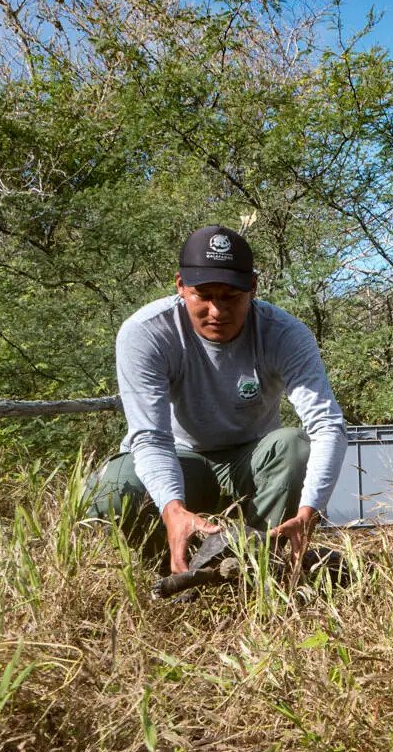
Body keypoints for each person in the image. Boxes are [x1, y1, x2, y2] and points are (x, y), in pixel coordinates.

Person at [83, 225, 349, 573]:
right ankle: (168, 567)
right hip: (180, 459)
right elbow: (150, 437)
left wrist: (310, 508)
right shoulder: (147, 332)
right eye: (203, 295)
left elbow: (327, 425)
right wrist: (172, 508)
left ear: (252, 287)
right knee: (112, 486)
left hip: (250, 463)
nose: (217, 311)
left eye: (230, 297)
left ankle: (254, 565)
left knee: (296, 445)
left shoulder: (284, 333)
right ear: (180, 286)